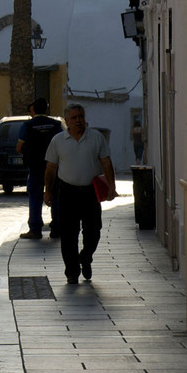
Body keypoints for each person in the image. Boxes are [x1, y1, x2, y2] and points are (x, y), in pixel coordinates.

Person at [43, 104, 116, 284]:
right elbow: (51, 168)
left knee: (93, 231)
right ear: (66, 121)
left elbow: (106, 163)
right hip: (67, 191)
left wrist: (111, 187)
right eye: (74, 118)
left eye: (81, 117)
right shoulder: (58, 141)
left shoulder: (96, 138)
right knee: (68, 234)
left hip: (90, 191)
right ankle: (72, 272)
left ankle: (86, 257)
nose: (78, 121)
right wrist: (48, 191)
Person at [16, 98, 62, 239]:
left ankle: (35, 229)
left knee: (35, 197)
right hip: (53, 166)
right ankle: (57, 228)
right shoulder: (56, 125)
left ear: (34, 110)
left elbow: (19, 147)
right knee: (55, 195)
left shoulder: (27, 125)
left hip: (35, 167)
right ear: (46, 110)